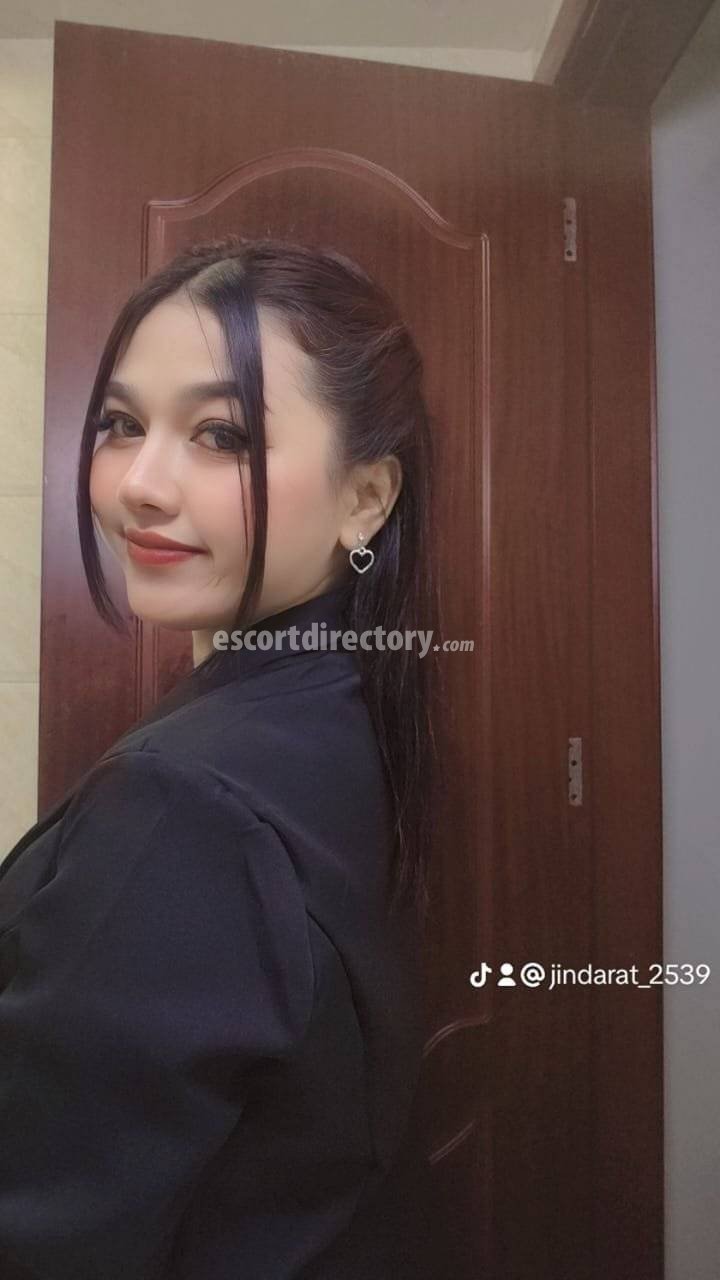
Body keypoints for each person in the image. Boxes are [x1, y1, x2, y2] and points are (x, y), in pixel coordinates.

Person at [0, 236, 441, 1278]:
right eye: (121, 424)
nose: (138, 486)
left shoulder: (184, 807)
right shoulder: (339, 701)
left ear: (366, 498)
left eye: (222, 434)